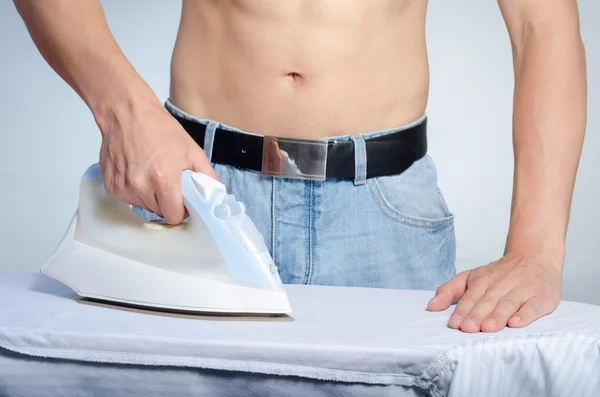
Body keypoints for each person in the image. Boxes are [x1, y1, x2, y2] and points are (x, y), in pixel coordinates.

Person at [13, 0, 586, 333]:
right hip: (194, 196)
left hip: (382, 218)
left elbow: (543, 23)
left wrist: (537, 250)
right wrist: (122, 111)